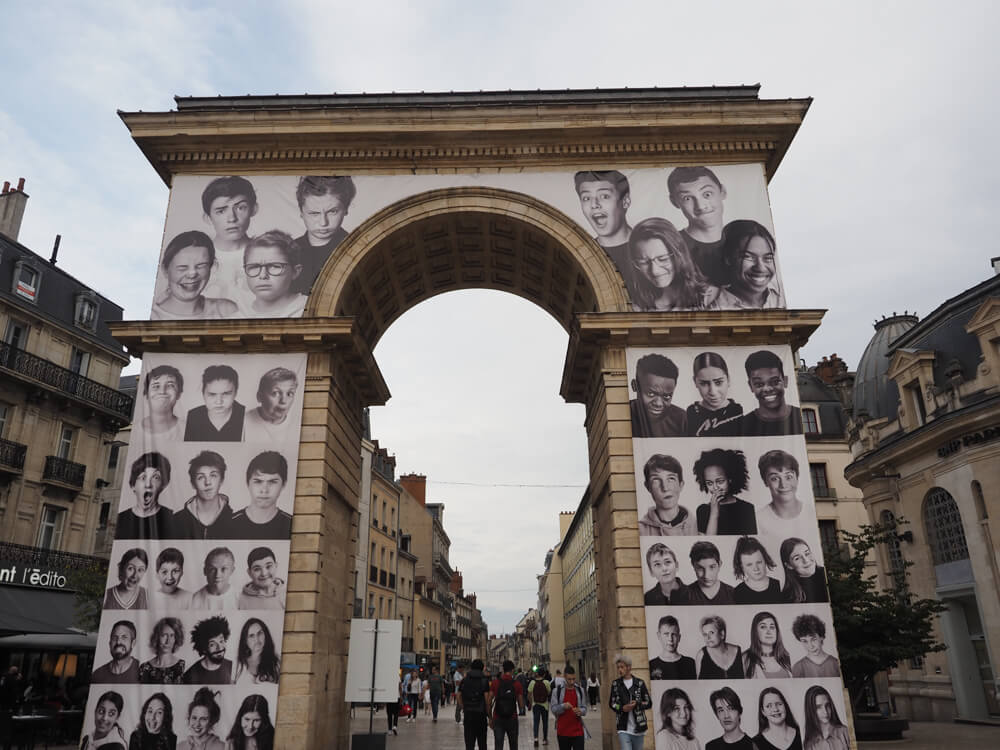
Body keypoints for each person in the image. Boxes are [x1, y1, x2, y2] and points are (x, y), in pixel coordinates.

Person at [627, 217, 718, 312]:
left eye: (663, 259)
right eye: (643, 262)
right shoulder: (636, 308)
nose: (655, 271)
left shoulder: (713, 297)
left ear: (679, 255)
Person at [199, 176, 258, 310]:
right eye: (221, 211)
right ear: (208, 218)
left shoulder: (271, 253)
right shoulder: (197, 256)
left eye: (240, 208)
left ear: (254, 209)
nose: (232, 218)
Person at [151, 231, 238, 320]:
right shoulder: (152, 317)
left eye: (201, 266)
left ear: (211, 267)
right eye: (182, 267)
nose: (192, 274)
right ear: (165, 270)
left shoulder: (226, 311)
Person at [291, 176, 356, 294]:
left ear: (346, 209)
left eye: (332, 211)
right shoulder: (286, 251)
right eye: (314, 213)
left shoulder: (357, 249)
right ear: (301, 212)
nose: (323, 223)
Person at [667, 167, 728, 286]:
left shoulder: (742, 241)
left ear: (723, 192)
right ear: (674, 202)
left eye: (707, 194)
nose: (700, 206)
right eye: (687, 198)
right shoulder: (671, 247)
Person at [573, 170, 633, 279]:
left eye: (604, 196)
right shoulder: (584, 256)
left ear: (625, 201)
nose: (594, 205)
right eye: (586, 198)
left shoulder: (652, 248)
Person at [716, 220, 785, 309]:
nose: (760, 268)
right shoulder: (711, 306)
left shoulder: (781, 300)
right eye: (748, 257)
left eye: (768, 258)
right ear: (728, 259)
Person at [241, 230, 307, 317]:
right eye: (254, 267)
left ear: (295, 272)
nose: (263, 275)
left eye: (274, 266)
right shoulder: (236, 317)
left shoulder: (314, 308)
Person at [228, 451, 293, 539]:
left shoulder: (291, 523)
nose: (264, 490)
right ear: (248, 483)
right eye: (258, 481)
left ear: (283, 485)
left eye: (272, 482)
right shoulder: (228, 523)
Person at [173, 451, 235, 540]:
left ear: (221, 480)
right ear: (193, 483)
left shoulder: (234, 520)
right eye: (201, 477)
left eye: (213, 475)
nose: (207, 482)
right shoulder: (176, 521)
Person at [693, 449, 757, 535]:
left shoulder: (747, 509)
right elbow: (708, 543)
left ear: (730, 479)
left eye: (720, 481)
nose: (715, 487)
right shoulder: (702, 510)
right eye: (709, 483)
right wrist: (714, 513)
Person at [740, 351, 802, 436]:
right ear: (750, 386)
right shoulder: (742, 425)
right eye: (759, 384)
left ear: (785, 381)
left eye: (774, 382)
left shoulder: (800, 417)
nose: (767, 389)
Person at [117, 452, 174, 540]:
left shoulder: (173, 519)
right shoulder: (120, 520)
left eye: (156, 478)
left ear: (163, 486)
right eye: (143, 477)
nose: (148, 484)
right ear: (133, 486)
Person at [685, 352, 743, 437]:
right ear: (695, 382)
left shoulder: (737, 412)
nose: (712, 392)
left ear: (728, 380)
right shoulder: (690, 414)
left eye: (718, 382)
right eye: (704, 383)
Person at [637, 454, 697, 536]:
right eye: (656, 480)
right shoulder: (640, 530)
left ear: (681, 485)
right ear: (648, 487)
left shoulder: (699, 526)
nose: (665, 488)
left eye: (671, 478)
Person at [630, 353, 687, 437]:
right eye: (651, 394)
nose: (658, 404)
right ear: (635, 386)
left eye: (667, 396)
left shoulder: (681, 419)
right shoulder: (623, 414)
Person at [184, 365, 245, 441]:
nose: (219, 401)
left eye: (226, 394)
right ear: (203, 394)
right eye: (212, 394)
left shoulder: (246, 415)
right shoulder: (192, 416)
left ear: (235, 393)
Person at [244, 368, 300, 443]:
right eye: (275, 393)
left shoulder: (297, 426)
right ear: (259, 396)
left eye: (289, 394)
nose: (283, 401)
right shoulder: (242, 423)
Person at [608, 654, 651, 750]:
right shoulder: (616, 684)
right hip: (623, 728)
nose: (619, 670)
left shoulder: (640, 683)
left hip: (639, 727)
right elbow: (612, 703)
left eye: (622, 667)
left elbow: (648, 703)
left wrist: (637, 704)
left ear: (629, 667)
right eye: (618, 667)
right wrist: (622, 708)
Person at [136, 364, 187, 442]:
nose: (162, 391)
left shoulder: (188, 432)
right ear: (146, 394)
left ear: (179, 394)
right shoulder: (136, 431)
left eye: (170, 385)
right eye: (156, 386)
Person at [758, 450, 806, 524]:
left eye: (789, 477)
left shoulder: (812, 513)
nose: (783, 485)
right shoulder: (758, 520)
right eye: (775, 479)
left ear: (797, 478)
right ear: (765, 482)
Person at [733, 536, 783, 605]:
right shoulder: (736, 593)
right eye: (749, 564)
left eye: (759, 562)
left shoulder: (780, 585)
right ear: (742, 567)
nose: (756, 568)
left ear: (765, 560)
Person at [184, 616, 233, 684]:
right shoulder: (190, 675)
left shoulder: (233, 667)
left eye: (221, 641)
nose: (219, 648)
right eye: (212, 644)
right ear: (204, 648)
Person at [743, 611, 792, 679]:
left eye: (772, 627)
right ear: (755, 631)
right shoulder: (744, 659)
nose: (769, 631)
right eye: (763, 627)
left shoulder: (786, 657)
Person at [780, 538, 829, 604]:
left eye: (807, 553)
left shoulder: (827, 574)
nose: (806, 560)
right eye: (797, 558)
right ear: (789, 565)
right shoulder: (788, 595)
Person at [687, 541, 736, 606]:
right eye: (700, 568)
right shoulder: (685, 595)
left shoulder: (734, 594)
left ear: (720, 564)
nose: (706, 575)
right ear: (693, 566)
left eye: (712, 567)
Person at [234, 618, 281, 685]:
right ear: (245, 641)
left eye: (260, 633)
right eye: (251, 636)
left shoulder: (276, 663)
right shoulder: (237, 664)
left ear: (265, 635)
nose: (257, 640)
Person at [139, 617, 185, 684]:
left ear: (176, 639)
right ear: (157, 638)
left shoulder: (183, 666)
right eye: (164, 635)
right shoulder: (144, 668)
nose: (167, 641)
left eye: (172, 636)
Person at [551, 665, 588, 750]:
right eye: (569, 679)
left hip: (578, 731)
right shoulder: (557, 691)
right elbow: (553, 709)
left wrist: (580, 711)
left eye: (573, 679)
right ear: (564, 677)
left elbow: (584, 709)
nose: (572, 682)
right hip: (563, 732)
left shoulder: (580, 690)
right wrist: (563, 706)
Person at [490, 659, 524, 750]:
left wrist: (490, 717)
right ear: (512, 670)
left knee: (498, 745)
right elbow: (521, 705)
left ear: (503, 669)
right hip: (512, 718)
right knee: (513, 745)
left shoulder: (495, 683)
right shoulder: (517, 684)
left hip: (498, 717)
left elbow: (489, 701)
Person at [696, 615, 744, 680]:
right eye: (705, 634)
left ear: (722, 633)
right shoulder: (701, 655)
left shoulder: (738, 651)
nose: (708, 638)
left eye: (711, 633)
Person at [458, 658, 492, 750]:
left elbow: (459, 695)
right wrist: (489, 716)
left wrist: (463, 706)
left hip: (468, 714)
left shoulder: (464, 680)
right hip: (481, 715)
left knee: (469, 743)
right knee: (482, 743)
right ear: (481, 668)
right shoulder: (484, 680)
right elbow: (486, 699)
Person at [649, 615, 696, 680]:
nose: (670, 639)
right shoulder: (651, 665)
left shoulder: (690, 663)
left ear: (679, 637)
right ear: (659, 636)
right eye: (666, 634)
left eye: (674, 634)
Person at [802, 686, 850, 750]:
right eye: (818, 707)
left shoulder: (844, 731)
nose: (825, 712)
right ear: (811, 710)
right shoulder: (809, 743)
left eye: (827, 705)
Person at [528, 668, 552, 747]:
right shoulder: (546, 682)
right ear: (544, 675)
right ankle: (545, 739)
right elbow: (549, 692)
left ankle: (536, 739)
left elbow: (529, 694)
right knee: (545, 723)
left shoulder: (532, 682)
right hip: (545, 706)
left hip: (536, 705)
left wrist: (530, 703)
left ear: (537, 674)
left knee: (536, 722)